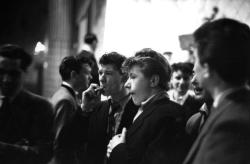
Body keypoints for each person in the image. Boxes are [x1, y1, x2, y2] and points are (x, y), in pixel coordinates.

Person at [183, 18, 250, 164]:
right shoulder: (232, 109)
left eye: (196, 58)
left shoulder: (231, 125)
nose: (194, 77)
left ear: (207, 69)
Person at [107, 55, 188, 164]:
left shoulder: (168, 116)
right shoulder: (144, 108)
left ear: (153, 81)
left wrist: (117, 149)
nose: (127, 84)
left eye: (133, 77)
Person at [0, 44, 54, 164]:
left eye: (13, 74)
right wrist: (20, 149)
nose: (6, 79)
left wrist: (5, 148)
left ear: (25, 74)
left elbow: (43, 154)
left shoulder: (41, 108)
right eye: (1, 72)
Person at [82, 52, 139, 164]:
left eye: (108, 73)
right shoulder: (98, 108)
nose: (101, 79)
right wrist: (85, 108)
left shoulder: (138, 109)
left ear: (124, 77)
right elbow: (78, 141)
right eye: (100, 73)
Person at [50, 54, 92, 164]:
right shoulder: (66, 100)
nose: (90, 77)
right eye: (87, 73)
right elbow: (60, 144)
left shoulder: (65, 95)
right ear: (74, 75)